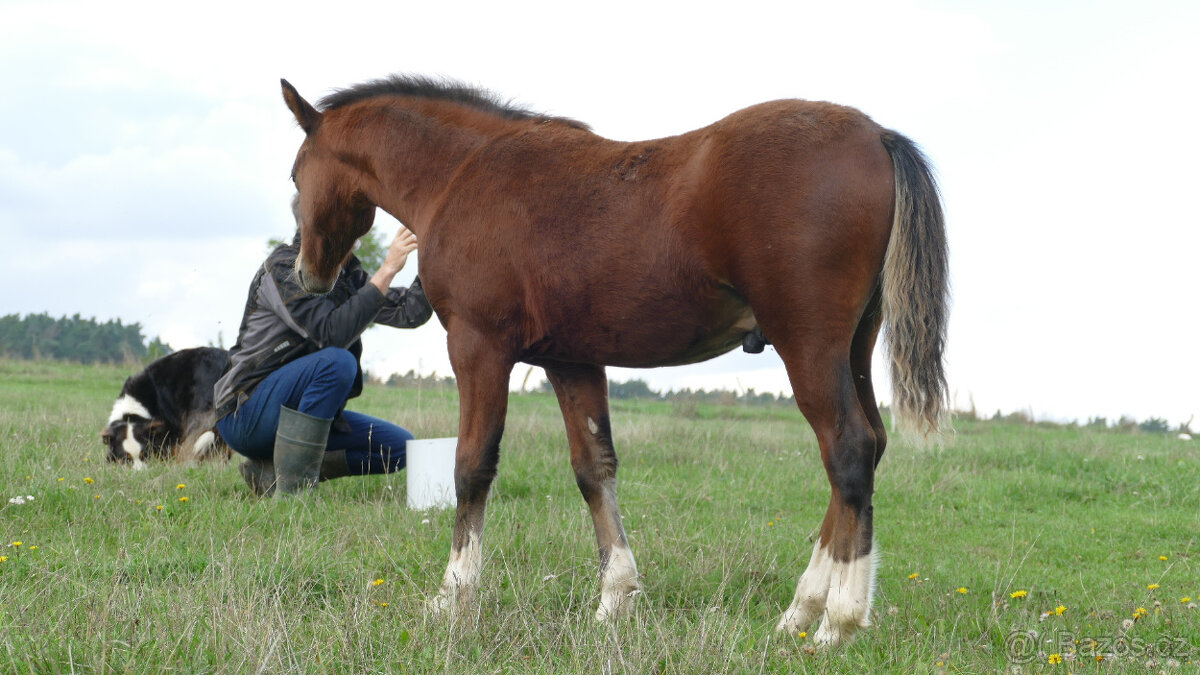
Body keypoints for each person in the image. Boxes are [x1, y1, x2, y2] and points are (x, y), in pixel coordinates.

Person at [213, 195, 433, 497]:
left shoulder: (346, 273)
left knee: (399, 447)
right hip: (246, 413)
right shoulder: (283, 268)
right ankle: (293, 495)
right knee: (338, 361)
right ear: (314, 226)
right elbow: (331, 334)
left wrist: (435, 249)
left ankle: (272, 474)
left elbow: (409, 312)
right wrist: (387, 270)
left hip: (297, 414)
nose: (356, 232)